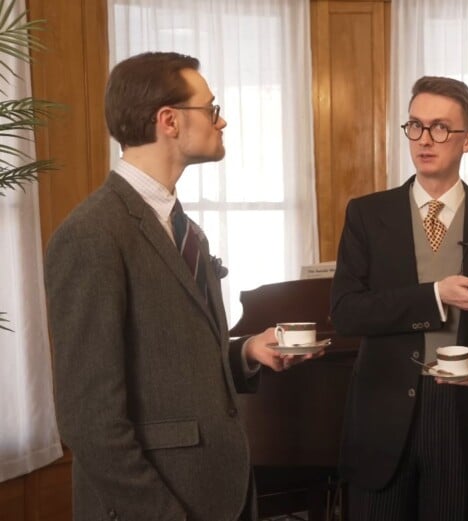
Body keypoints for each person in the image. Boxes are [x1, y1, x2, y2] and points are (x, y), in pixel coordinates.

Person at [44, 52, 321, 521]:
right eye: (211, 109)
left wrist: (247, 351)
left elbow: (171, 365)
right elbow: (88, 420)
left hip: (220, 492)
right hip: (159, 503)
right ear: (169, 121)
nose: (222, 120)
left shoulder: (185, 229)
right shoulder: (91, 234)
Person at [330, 76, 468, 521]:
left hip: (464, 417)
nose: (425, 140)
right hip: (382, 416)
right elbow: (345, 313)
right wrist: (436, 295)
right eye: (416, 126)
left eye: (441, 128)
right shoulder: (366, 214)